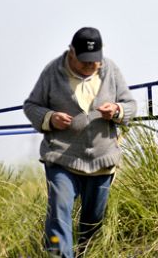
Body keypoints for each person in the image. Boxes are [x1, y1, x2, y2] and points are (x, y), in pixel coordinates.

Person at [24, 27, 136, 257]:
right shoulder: (52, 72)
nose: (90, 66)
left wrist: (116, 110)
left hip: (102, 160)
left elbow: (130, 106)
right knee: (58, 212)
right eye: (85, 61)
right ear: (72, 53)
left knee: (92, 226)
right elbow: (31, 106)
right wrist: (50, 118)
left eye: (94, 62)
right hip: (62, 157)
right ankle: (58, 254)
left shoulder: (110, 70)